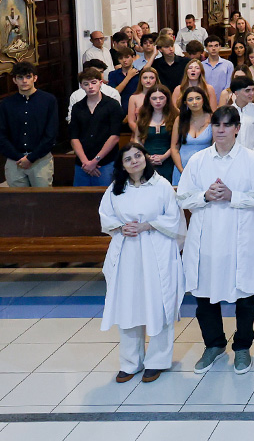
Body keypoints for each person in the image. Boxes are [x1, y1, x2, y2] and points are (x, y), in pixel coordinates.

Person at [178, 106, 254, 375]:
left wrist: (234, 196)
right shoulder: (198, 160)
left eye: (227, 125)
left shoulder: (251, 160)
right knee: (204, 294)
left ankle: (242, 347)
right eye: (216, 125)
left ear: (237, 128)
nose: (221, 130)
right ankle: (214, 344)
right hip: (207, 238)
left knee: (244, 294)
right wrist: (205, 196)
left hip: (239, 237)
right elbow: (183, 197)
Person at [98, 143, 186, 384]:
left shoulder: (161, 185)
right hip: (127, 253)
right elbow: (106, 216)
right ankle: (130, 362)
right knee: (128, 305)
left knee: (158, 304)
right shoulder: (116, 189)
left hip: (156, 250)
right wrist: (120, 227)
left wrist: (148, 225)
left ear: (145, 158)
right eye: (128, 159)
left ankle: (157, 361)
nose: (134, 161)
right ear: (122, 165)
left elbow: (174, 218)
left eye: (138, 156)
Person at [0, 62, 57, 187]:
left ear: (35, 78)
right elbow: (0, 134)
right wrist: (18, 157)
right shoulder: (7, 104)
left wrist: (31, 158)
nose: (24, 81)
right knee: (18, 198)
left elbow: (51, 134)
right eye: (20, 77)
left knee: (42, 197)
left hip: (40, 160)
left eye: (28, 77)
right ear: (14, 80)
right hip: (15, 161)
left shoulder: (48, 100)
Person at [70, 68, 123, 187]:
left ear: (100, 82)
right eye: (86, 84)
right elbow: (74, 137)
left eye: (93, 82)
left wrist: (95, 161)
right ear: (81, 86)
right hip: (82, 163)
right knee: (79, 197)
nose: (90, 87)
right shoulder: (77, 107)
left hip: (106, 162)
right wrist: (86, 162)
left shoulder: (112, 105)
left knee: (105, 195)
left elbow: (114, 136)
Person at [133, 84, 177, 183]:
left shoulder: (175, 115)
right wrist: (146, 156)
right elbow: (137, 139)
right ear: (148, 100)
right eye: (154, 98)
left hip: (169, 158)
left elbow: (178, 142)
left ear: (167, 99)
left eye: (161, 98)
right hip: (147, 159)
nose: (158, 101)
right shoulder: (143, 115)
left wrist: (163, 157)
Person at [170, 87, 213, 185]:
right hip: (182, 169)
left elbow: (216, 147)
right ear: (185, 103)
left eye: (198, 98)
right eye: (190, 99)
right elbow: (174, 148)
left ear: (203, 100)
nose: (194, 102)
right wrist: (182, 170)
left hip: (206, 168)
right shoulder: (179, 120)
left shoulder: (213, 119)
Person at [227, 77, 254, 158]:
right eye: (247, 90)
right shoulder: (228, 113)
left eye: (253, 90)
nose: (252, 93)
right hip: (233, 158)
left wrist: (252, 157)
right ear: (236, 93)